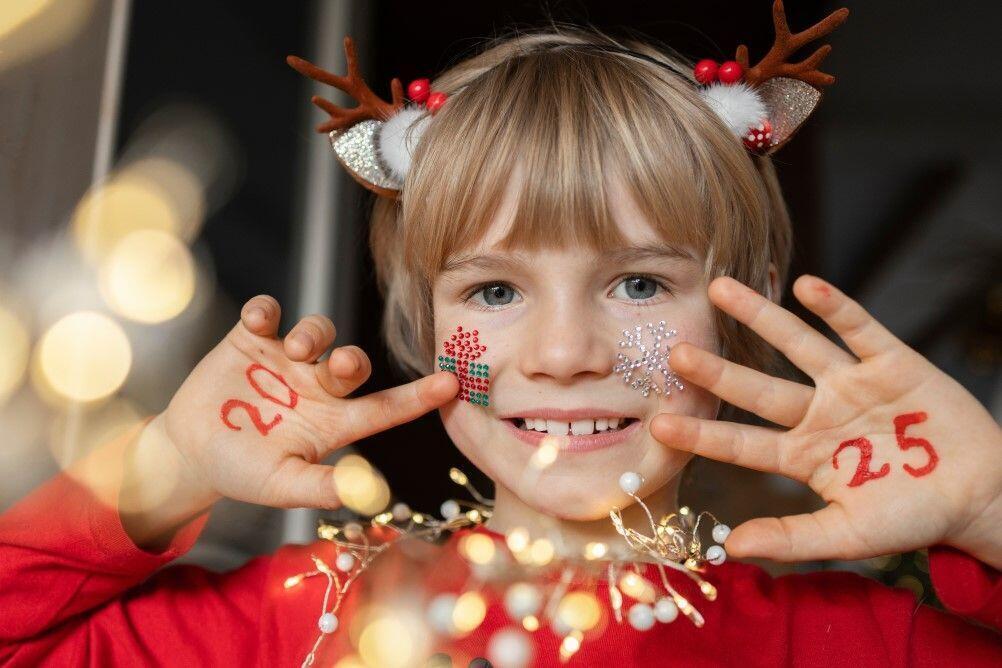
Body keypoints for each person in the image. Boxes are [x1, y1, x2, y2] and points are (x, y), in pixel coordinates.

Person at [2, 10, 1000, 667]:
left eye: (640, 281)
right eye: (494, 288)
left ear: (748, 307)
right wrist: (161, 467)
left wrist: (992, 506)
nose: (565, 351)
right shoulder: (287, 625)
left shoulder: (860, 644)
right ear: (425, 324)